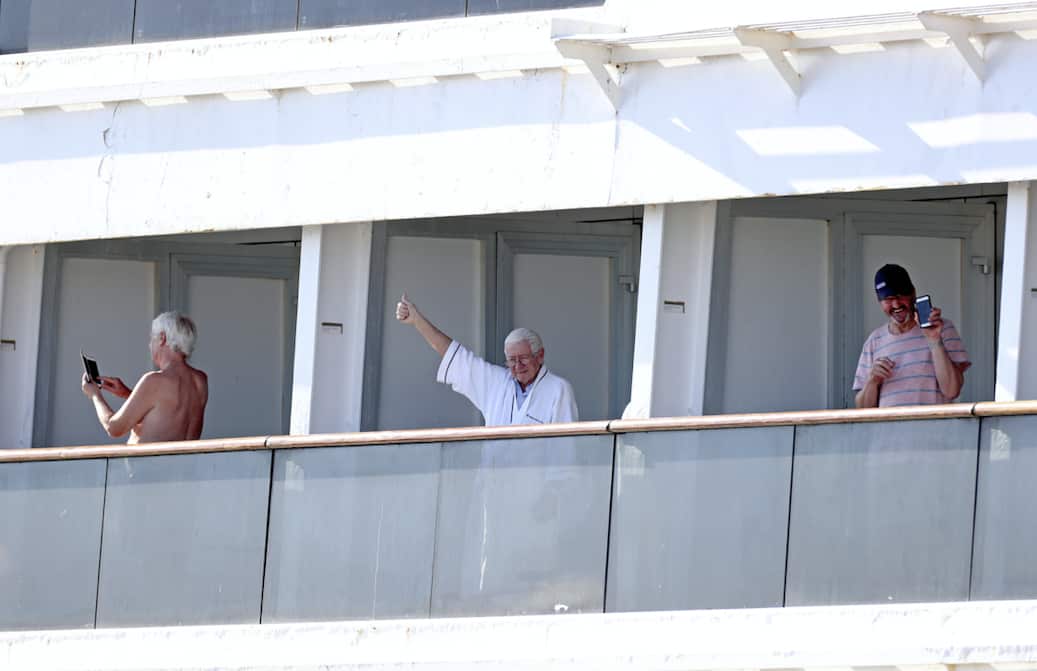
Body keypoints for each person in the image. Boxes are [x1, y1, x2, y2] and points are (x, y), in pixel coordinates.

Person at [395, 293, 578, 425]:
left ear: (540, 356)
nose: (517, 366)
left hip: (536, 479)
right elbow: (453, 354)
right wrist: (417, 321)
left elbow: (567, 450)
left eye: (523, 358)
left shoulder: (558, 389)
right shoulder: (496, 382)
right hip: (493, 477)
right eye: (511, 360)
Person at [81, 311, 208, 443]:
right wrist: (126, 393)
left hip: (148, 463)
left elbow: (113, 428)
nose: (149, 345)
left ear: (162, 338)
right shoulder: (200, 381)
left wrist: (95, 394)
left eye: (152, 338)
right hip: (185, 462)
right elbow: (166, 412)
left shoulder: (154, 381)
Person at [854, 264, 970, 408]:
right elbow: (863, 409)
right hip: (888, 430)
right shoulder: (873, 341)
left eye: (900, 296)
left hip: (933, 429)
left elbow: (952, 391)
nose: (896, 304)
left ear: (913, 294)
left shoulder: (942, 328)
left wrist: (934, 340)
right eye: (888, 299)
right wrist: (872, 381)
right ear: (880, 302)